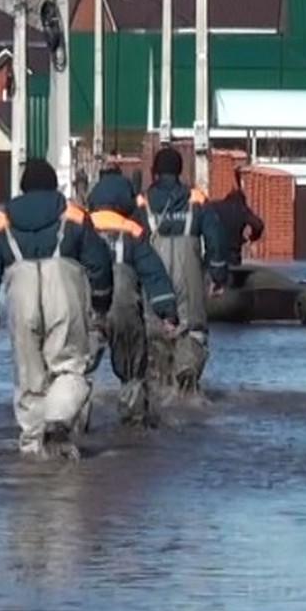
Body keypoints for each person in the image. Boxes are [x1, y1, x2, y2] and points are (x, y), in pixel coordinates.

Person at [0, 157, 113, 459]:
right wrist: (101, 302)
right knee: (71, 367)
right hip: (64, 295)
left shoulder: (3, 222)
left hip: (20, 297)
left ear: (22, 188)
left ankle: (33, 455)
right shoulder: (73, 215)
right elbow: (99, 262)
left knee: (29, 379)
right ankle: (58, 421)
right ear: (54, 185)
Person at [86, 165, 180, 427]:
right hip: (123, 309)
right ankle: (134, 425)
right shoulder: (133, 233)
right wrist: (167, 311)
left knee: (77, 370)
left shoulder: (81, 229)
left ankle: (72, 428)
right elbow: (153, 273)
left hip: (88, 308)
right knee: (131, 373)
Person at [135, 146, 228, 395]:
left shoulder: (142, 204)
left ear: (154, 173)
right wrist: (218, 276)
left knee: (155, 331)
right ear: (180, 171)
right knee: (193, 331)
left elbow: (131, 244)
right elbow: (216, 240)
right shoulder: (197, 200)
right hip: (190, 275)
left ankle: (158, 387)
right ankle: (187, 375)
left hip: (154, 277)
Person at [210, 182, 266, 267]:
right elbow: (258, 225)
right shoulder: (242, 210)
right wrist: (253, 237)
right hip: (233, 254)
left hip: (214, 251)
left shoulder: (214, 206)